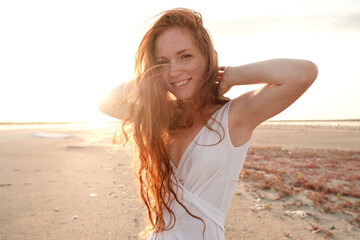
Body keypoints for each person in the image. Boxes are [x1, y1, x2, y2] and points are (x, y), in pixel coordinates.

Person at [98, 8, 318, 240]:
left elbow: (304, 73)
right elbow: (107, 102)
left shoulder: (234, 116)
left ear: (207, 57)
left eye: (186, 56)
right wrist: (152, 78)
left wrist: (233, 75)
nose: (174, 71)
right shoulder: (163, 118)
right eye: (163, 62)